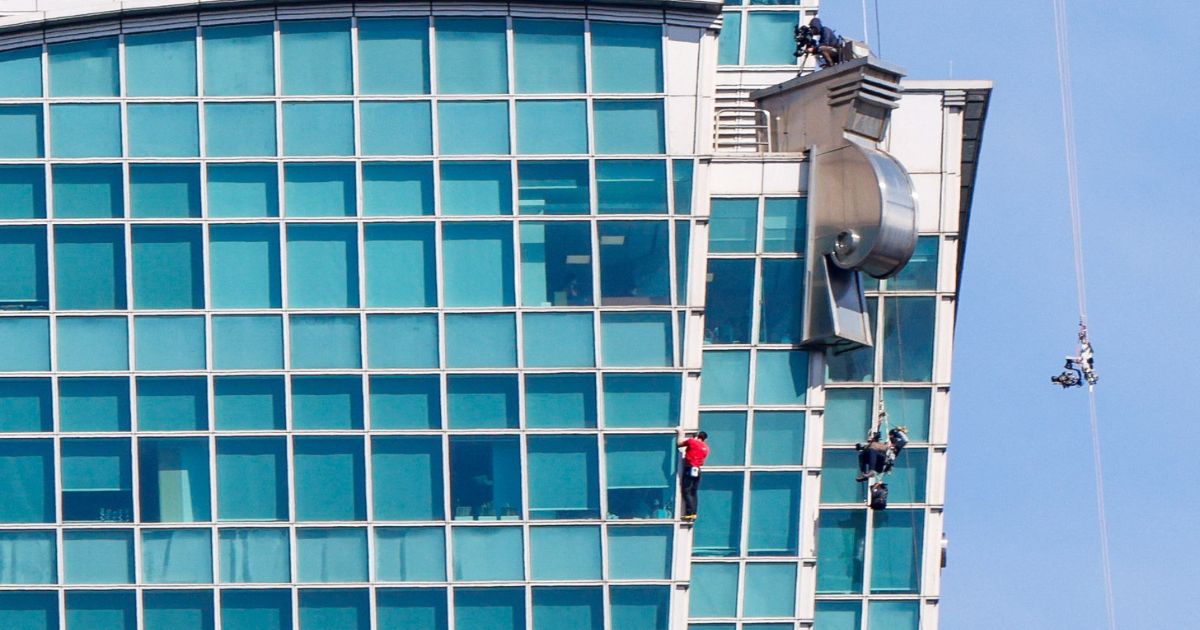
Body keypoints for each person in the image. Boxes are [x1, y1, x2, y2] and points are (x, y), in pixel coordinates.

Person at [677, 430, 710, 522]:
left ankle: (689, 513)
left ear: (697, 436)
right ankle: (693, 513)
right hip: (698, 469)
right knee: (693, 492)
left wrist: (680, 433)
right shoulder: (706, 448)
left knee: (686, 491)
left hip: (690, 468)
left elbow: (679, 444)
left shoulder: (692, 441)